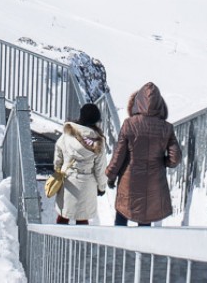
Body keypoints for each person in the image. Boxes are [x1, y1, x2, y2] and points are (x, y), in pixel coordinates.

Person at [106, 82, 181, 227]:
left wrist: (110, 175)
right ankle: (141, 249)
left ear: (138, 102)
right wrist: (164, 162)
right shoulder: (167, 128)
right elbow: (175, 157)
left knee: (122, 215)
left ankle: (119, 246)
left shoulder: (129, 124)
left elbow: (118, 155)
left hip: (129, 181)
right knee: (146, 219)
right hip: (154, 182)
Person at [53, 103, 108, 225]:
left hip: (68, 180)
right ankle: (81, 244)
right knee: (82, 219)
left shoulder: (68, 133)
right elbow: (100, 168)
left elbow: (58, 154)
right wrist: (101, 187)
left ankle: (60, 243)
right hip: (87, 183)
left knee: (63, 216)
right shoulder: (98, 141)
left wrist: (58, 171)